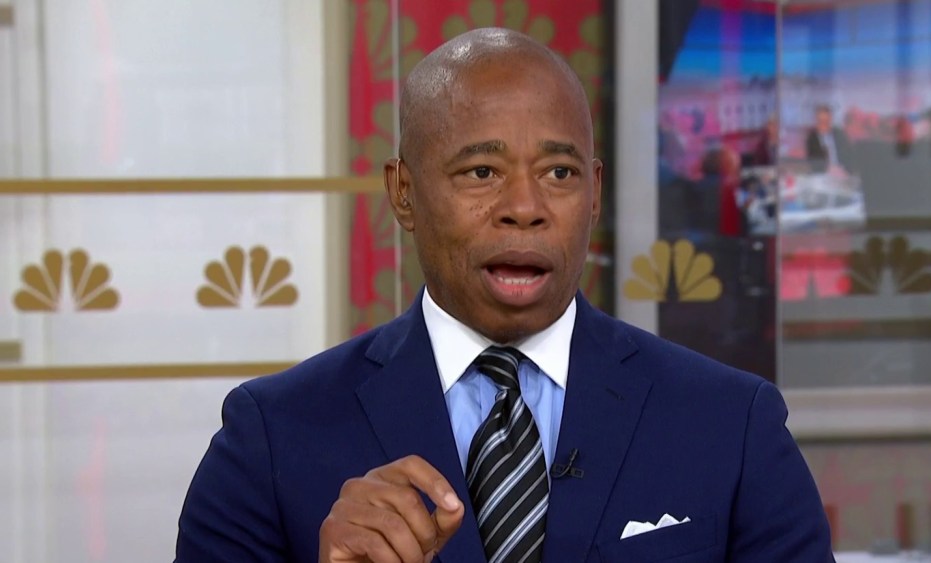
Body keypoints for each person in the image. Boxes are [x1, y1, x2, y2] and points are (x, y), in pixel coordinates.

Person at [175, 28, 833, 562]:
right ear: (403, 193)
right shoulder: (270, 438)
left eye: (559, 172)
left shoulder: (731, 424)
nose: (525, 206)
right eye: (482, 171)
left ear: (594, 194)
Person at [805, 104, 854, 175]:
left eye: (826, 121)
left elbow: (849, 156)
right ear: (816, 120)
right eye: (821, 121)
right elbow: (814, 163)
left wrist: (845, 170)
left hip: (842, 172)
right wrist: (828, 169)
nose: (823, 125)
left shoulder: (839, 134)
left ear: (830, 119)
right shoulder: (812, 138)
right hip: (822, 174)